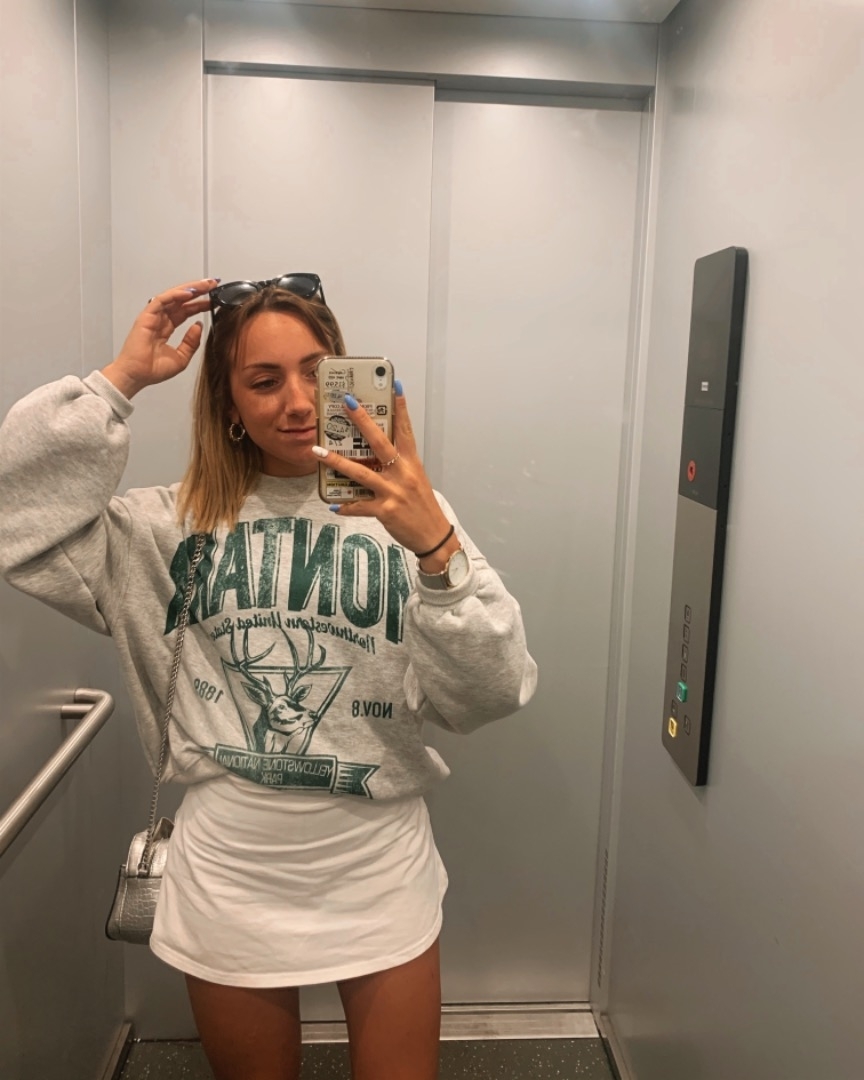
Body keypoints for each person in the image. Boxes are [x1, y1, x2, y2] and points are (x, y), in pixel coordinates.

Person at [0, 274, 537, 1080]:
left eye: (317, 373)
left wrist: (436, 549)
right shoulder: (164, 529)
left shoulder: (409, 518)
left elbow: (490, 693)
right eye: (264, 380)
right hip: (232, 872)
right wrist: (118, 382)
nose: (296, 401)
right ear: (228, 403)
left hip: (377, 863)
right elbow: (18, 515)